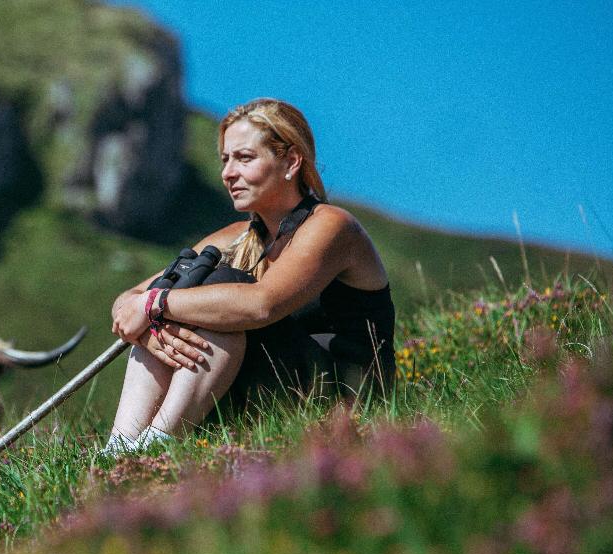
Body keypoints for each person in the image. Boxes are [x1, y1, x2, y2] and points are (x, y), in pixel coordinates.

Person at [105, 98, 395, 453]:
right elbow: (127, 301)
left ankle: (159, 444)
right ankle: (119, 449)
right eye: (225, 160)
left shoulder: (332, 226)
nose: (228, 173)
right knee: (179, 295)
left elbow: (261, 305)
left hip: (344, 399)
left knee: (214, 292)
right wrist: (152, 328)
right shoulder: (235, 237)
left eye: (244, 158)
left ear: (290, 161)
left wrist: (154, 305)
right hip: (271, 391)